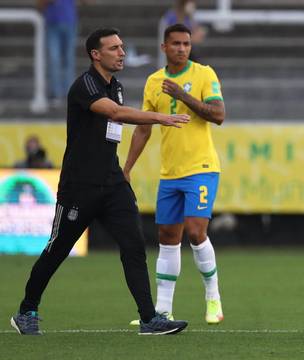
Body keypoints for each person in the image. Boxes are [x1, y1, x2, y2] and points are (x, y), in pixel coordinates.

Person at [10, 28, 190, 336]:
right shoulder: (86, 86)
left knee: (133, 245)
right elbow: (116, 113)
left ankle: (149, 318)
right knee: (56, 250)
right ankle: (26, 310)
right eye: (114, 48)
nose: (122, 53)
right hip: (80, 185)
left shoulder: (115, 85)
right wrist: (159, 117)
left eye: (121, 47)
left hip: (113, 182)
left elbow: (114, 121)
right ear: (96, 54)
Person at [124, 23, 225, 326]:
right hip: (170, 173)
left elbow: (218, 115)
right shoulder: (153, 81)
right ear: (164, 47)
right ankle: (163, 309)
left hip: (202, 168)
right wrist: (127, 167)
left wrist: (183, 95)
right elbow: (143, 128)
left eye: (186, 44)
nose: (182, 48)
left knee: (196, 231)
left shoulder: (204, 74)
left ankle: (213, 297)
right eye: (176, 44)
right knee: (168, 238)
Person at [37, 0, 79, 105]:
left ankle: (68, 91)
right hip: (52, 23)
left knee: (68, 59)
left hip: (69, 22)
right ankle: (55, 92)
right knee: (54, 58)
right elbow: (39, 4)